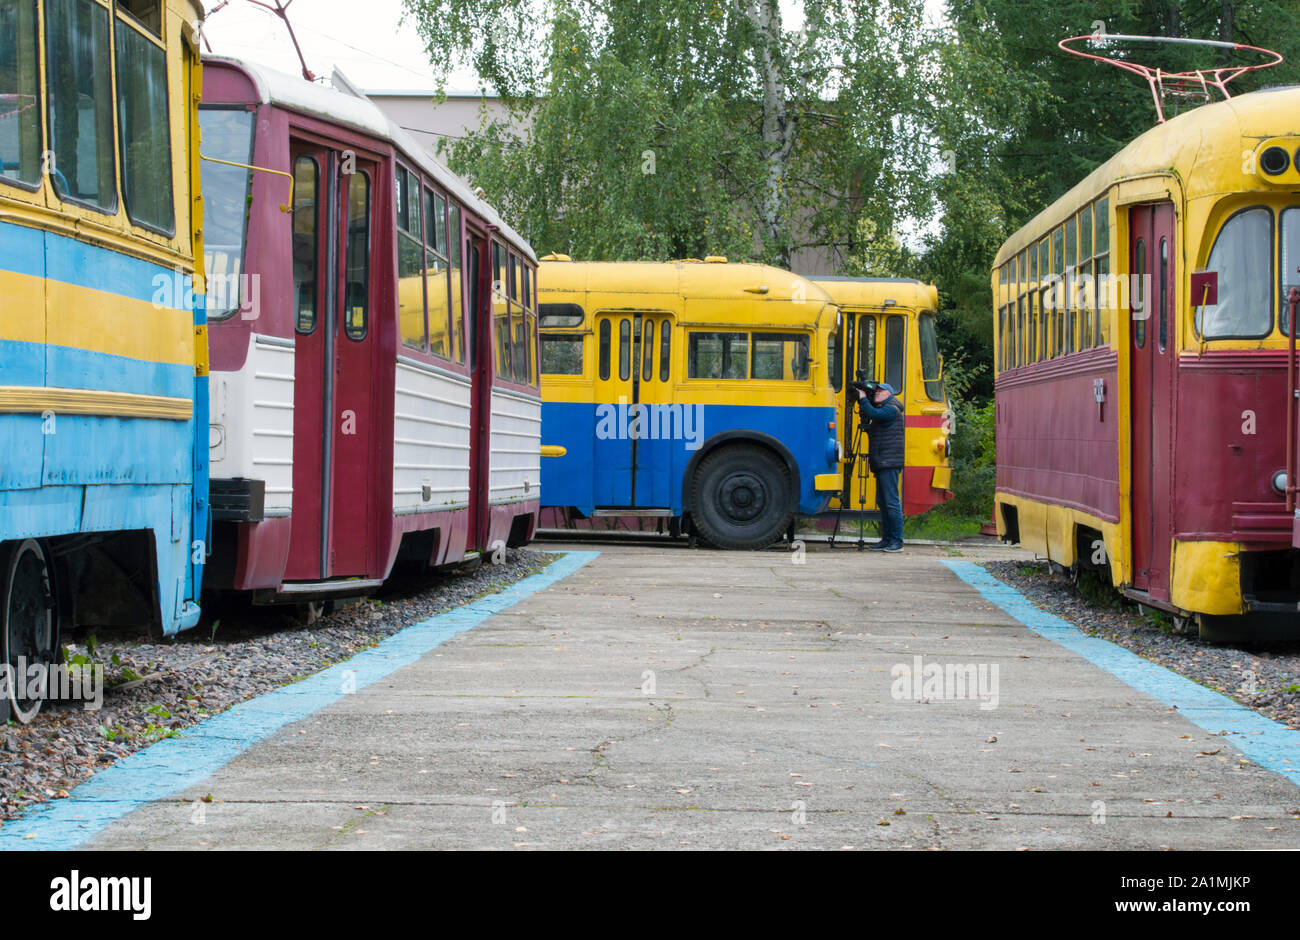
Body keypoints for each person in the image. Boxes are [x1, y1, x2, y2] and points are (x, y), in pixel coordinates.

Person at [855, 381, 905, 552]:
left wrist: (863, 398)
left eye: (881, 391)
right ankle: (887, 539)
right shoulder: (885, 410)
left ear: (889, 394)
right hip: (883, 461)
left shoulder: (891, 409)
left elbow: (871, 412)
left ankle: (897, 541)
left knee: (891, 503)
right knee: (883, 502)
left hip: (888, 462)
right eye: (876, 391)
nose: (876, 393)